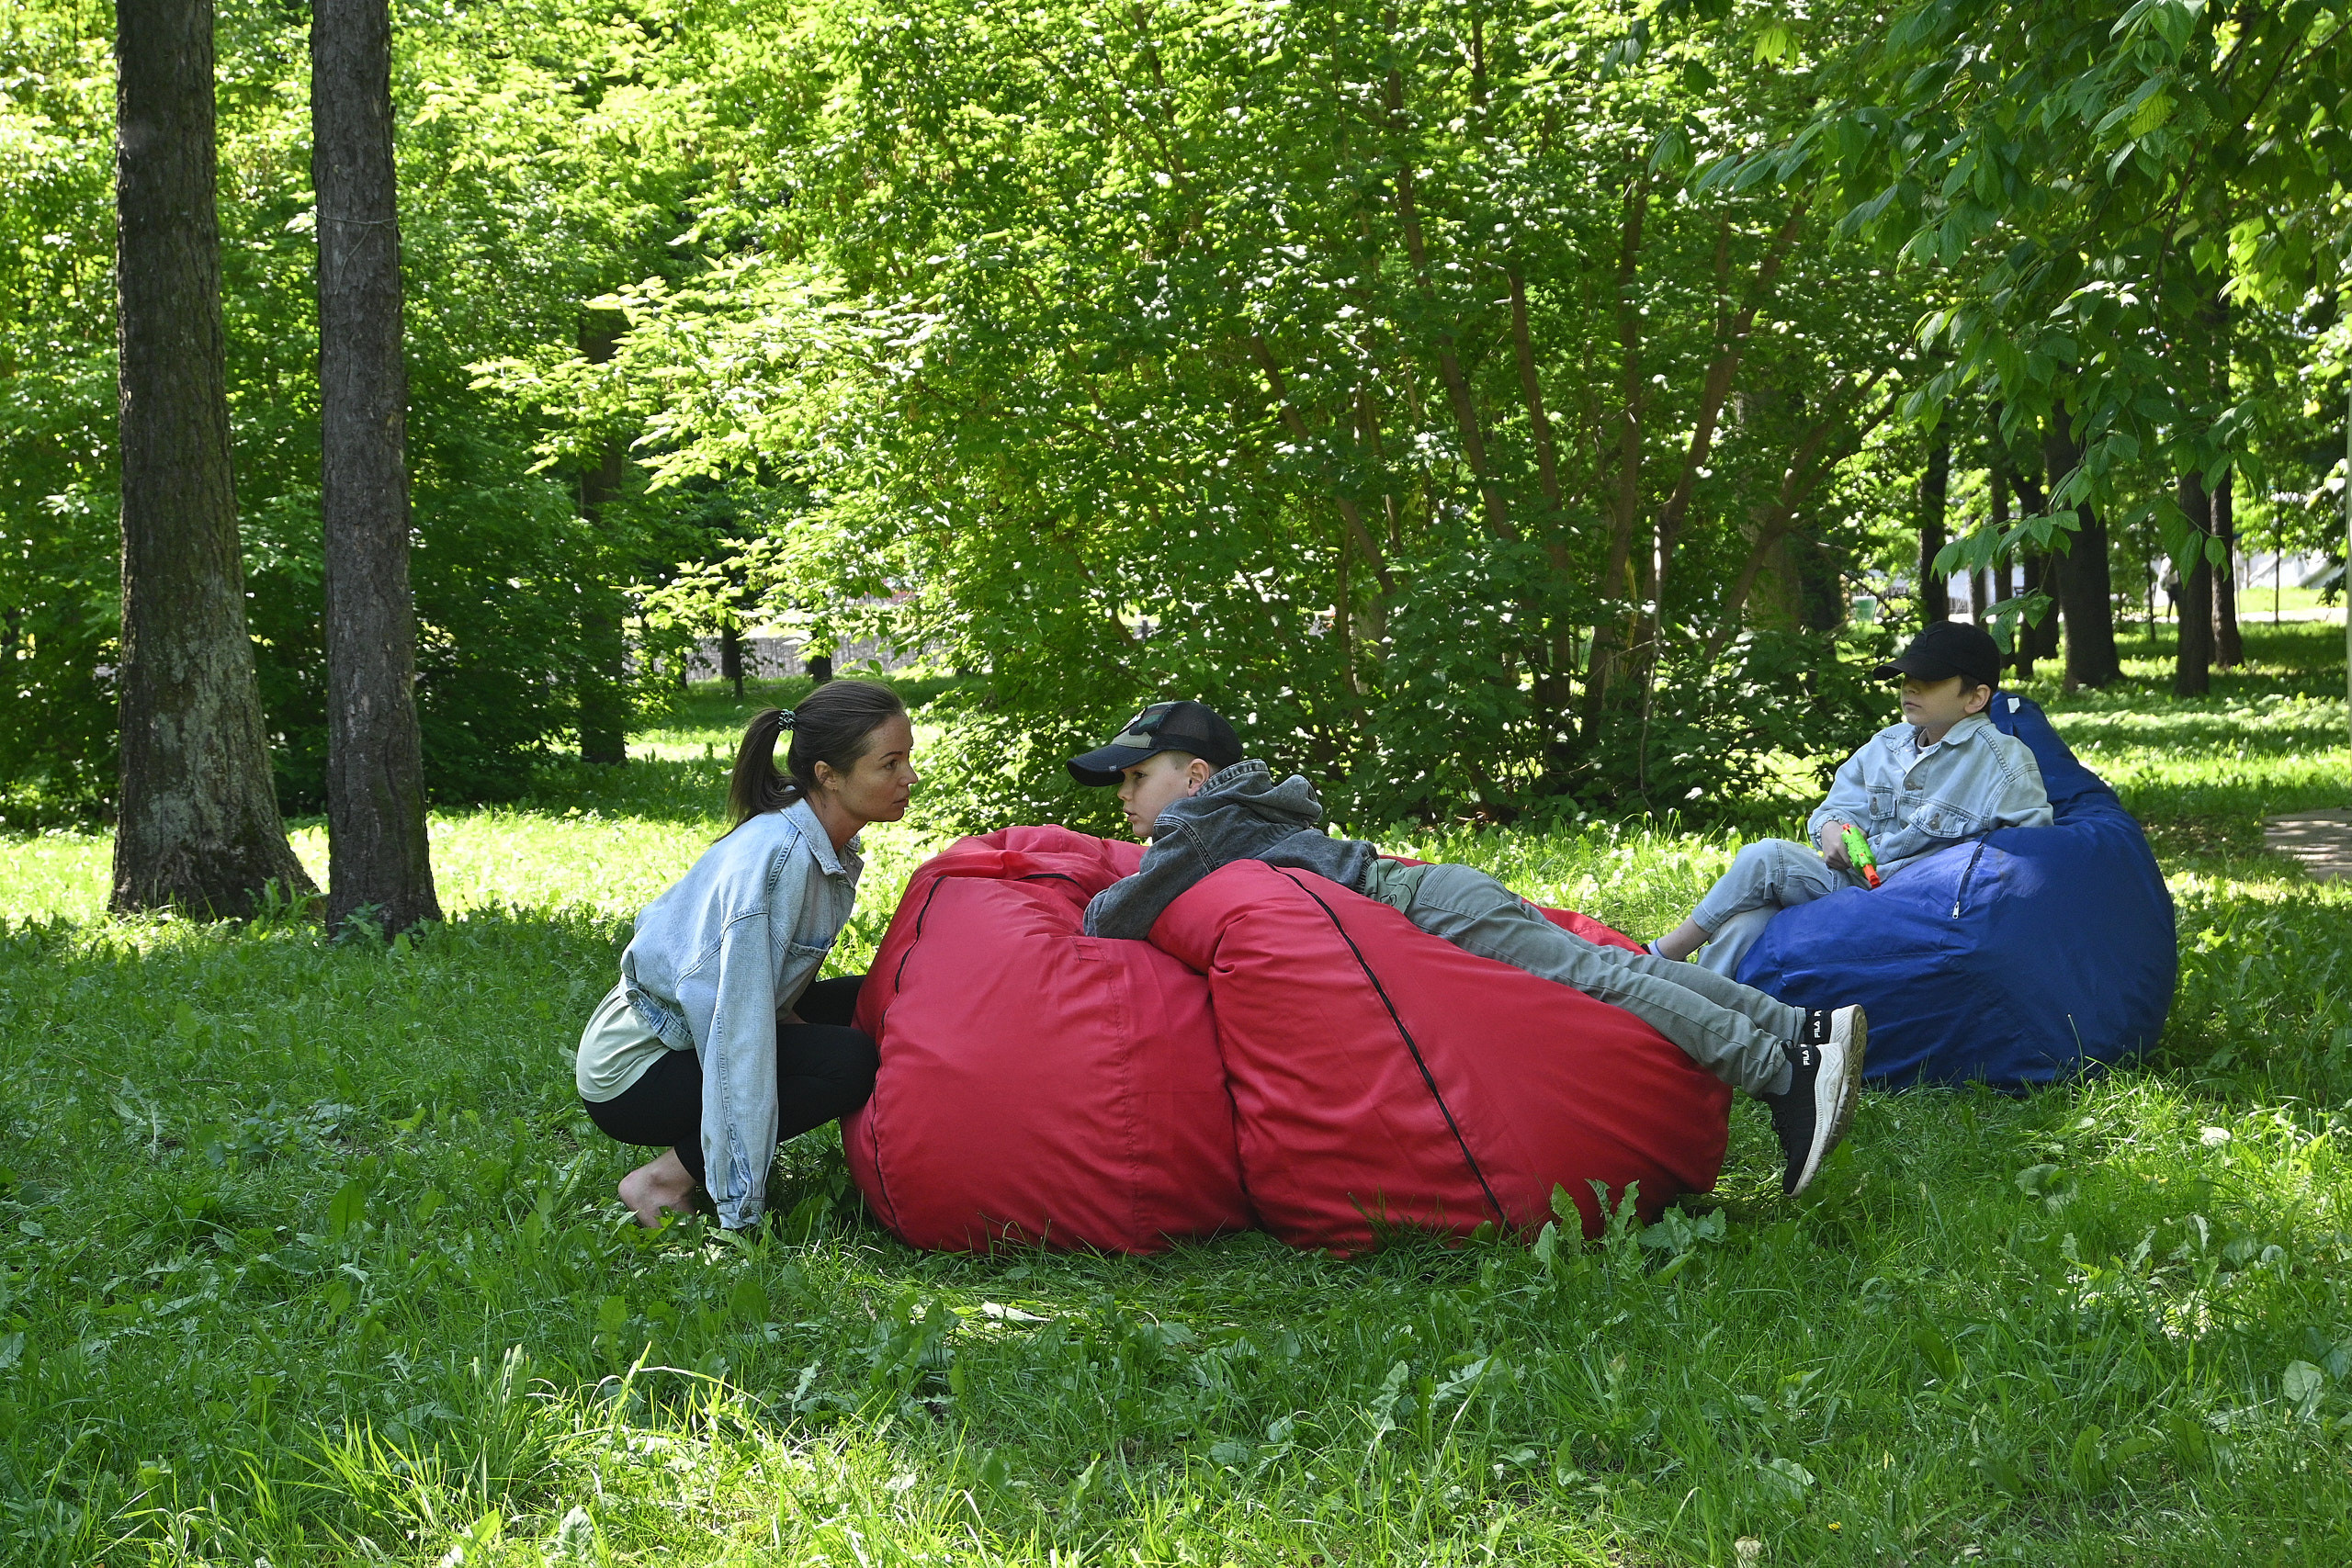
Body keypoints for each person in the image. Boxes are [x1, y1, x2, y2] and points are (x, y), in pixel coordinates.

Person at [1066, 701, 1867, 1197]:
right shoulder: (1243, 805)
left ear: (1196, 774)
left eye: (1135, 777)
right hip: (1436, 887)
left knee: (1596, 980)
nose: (1126, 799)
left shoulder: (1197, 826)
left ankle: (1782, 1072)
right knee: (1613, 967)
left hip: (1422, 903)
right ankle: (1798, 1029)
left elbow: (1107, 917)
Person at [576, 679, 917, 1228]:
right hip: (636, 1074)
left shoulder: (822, 841)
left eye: (908, 759)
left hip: (691, 1034)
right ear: (828, 775)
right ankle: (661, 1182)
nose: (910, 778)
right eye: (890, 764)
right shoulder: (779, 863)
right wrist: (741, 1205)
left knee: (877, 996)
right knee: (846, 1062)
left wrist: (799, 1028)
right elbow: (737, 1035)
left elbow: (771, 989)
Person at [1649, 620, 2052, 978]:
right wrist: (1830, 829)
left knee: (1765, 857)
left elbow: (2032, 851)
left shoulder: (2002, 760)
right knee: (1746, 923)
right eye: (1905, 676)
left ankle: (1659, 957)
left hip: (1913, 905)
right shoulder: (1887, 744)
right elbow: (1838, 807)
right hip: (1853, 883)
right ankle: (1692, 1015)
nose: (1909, 687)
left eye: (1929, 679)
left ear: (1975, 698)